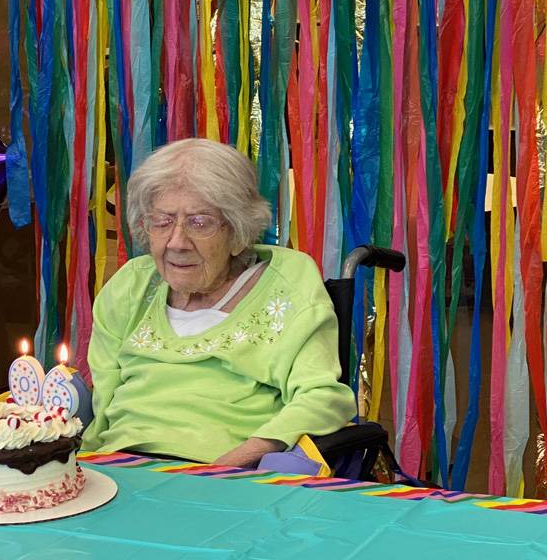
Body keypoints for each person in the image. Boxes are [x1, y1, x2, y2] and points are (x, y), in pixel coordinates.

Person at [81, 138, 355, 467]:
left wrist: (229, 467)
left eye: (200, 222)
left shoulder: (288, 282)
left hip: (230, 475)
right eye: (163, 221)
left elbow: (322, 396)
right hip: (122, 471)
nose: (177, 242)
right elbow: (103, 404)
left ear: (239, 231)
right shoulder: (131, 286)